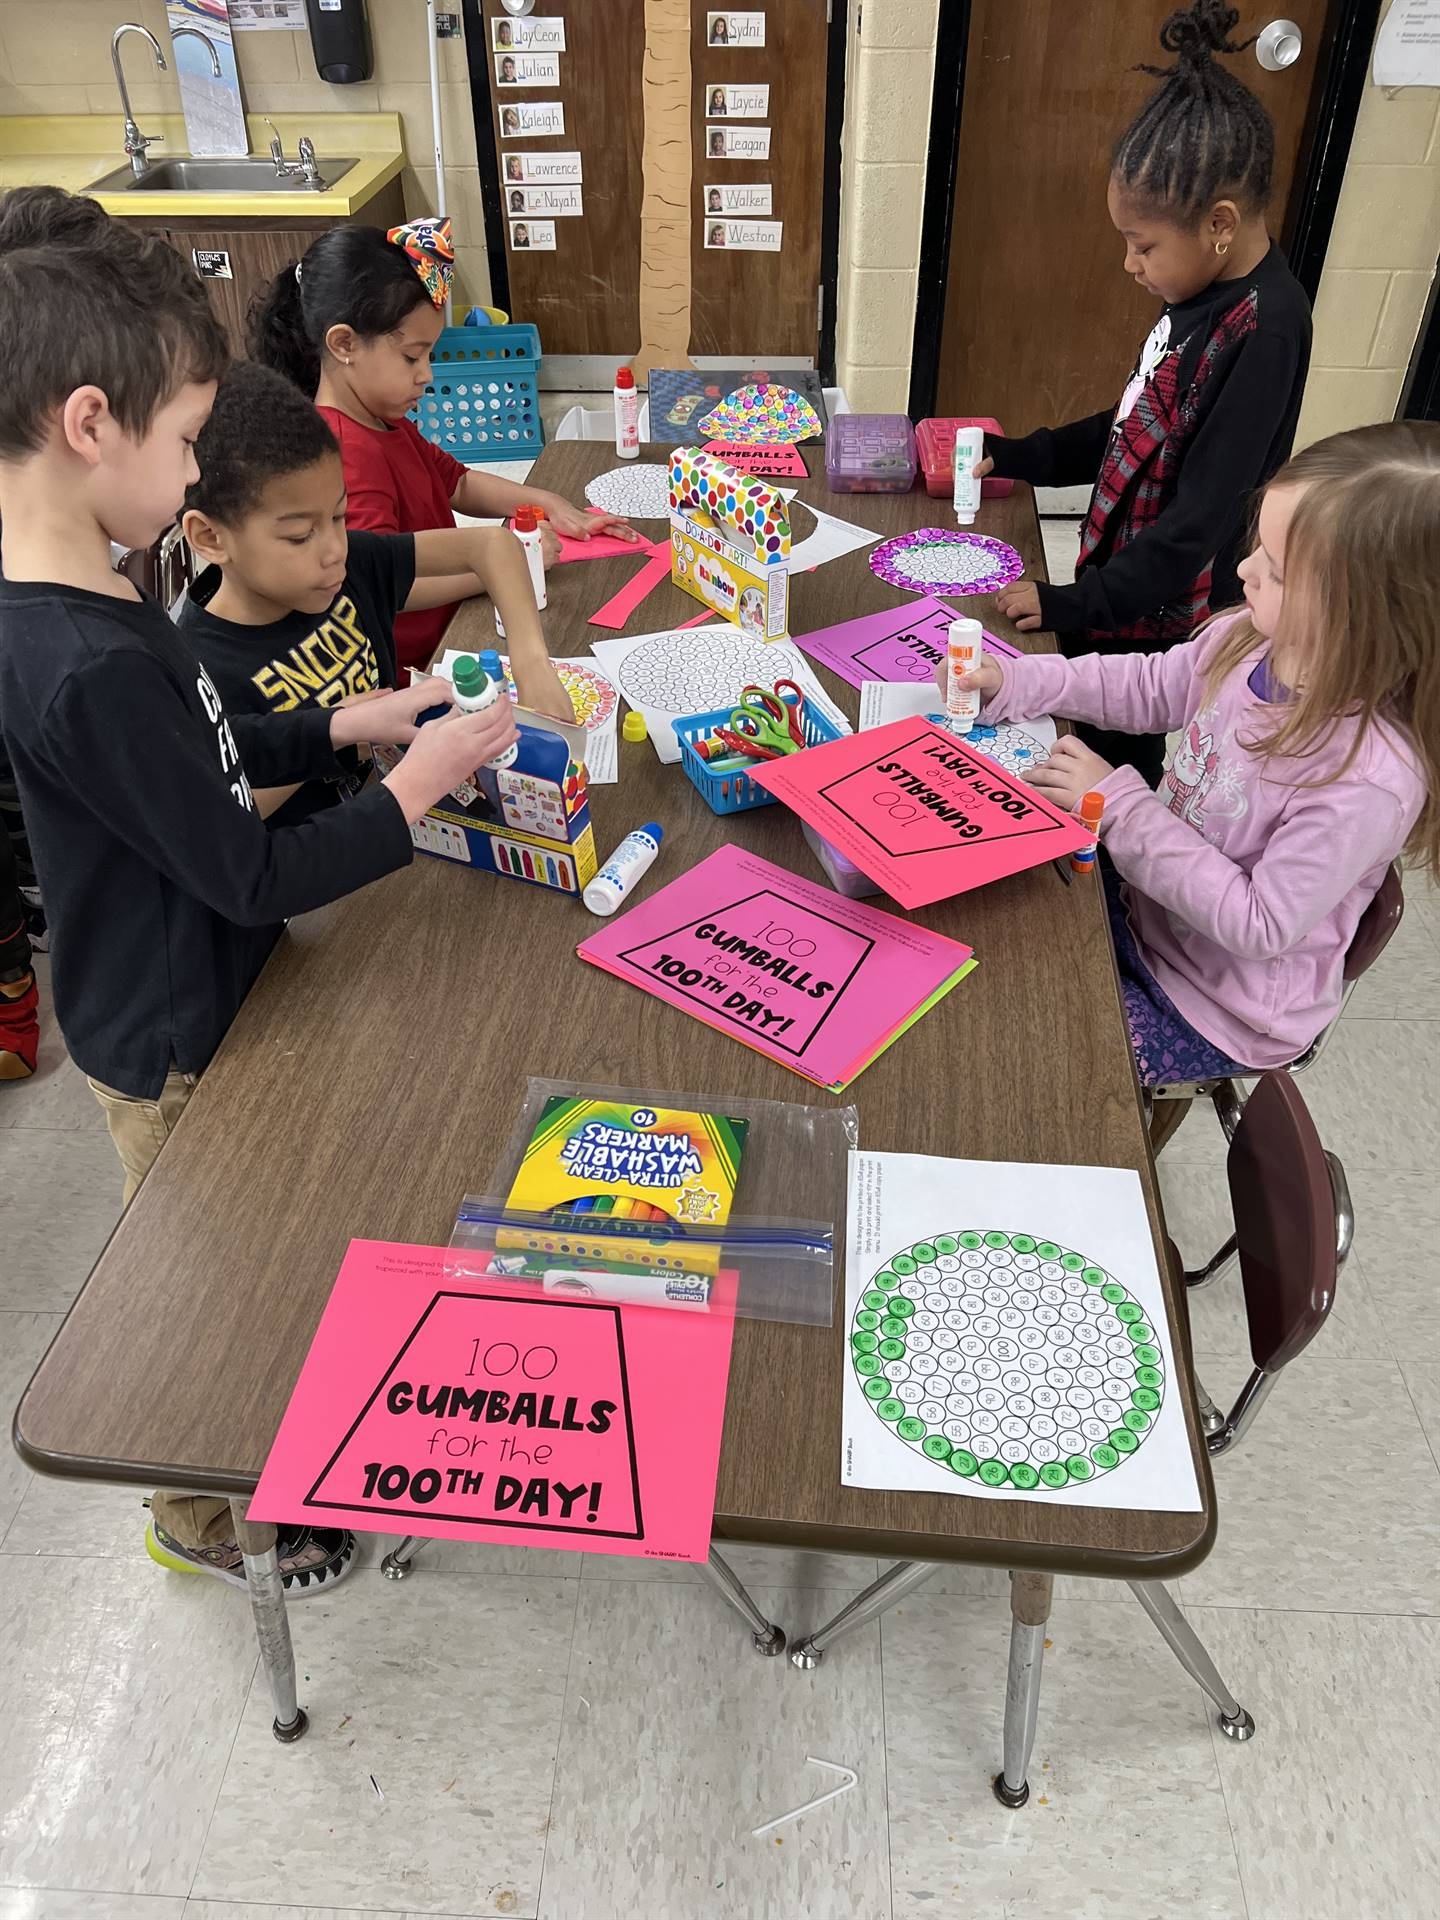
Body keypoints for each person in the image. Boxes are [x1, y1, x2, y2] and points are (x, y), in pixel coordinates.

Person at [0, 186, 521, 1590]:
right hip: (166, 1037)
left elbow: (209, 761)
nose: (191, 477)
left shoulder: (105, 593)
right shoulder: (89, 657)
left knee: (248, 1255)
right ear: (90, 422)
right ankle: (198, 1513)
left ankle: (256, 1450)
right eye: (182, 440)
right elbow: (243, 869)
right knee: (206, 1279)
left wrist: (344, 728)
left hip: (202, 990)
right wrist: (410, 795)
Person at [950, 421, 1438, 1118]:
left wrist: (1118, 806)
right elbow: (1152, 688)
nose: (1243, 572)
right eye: (1258, 549)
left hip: (1217, 1007)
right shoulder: (1251, 639)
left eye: (1273, 569)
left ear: (1362, 616)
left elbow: (1258, 924)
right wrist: (1024, 682)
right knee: (994, 929)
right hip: (1151, 908)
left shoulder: (1365, 779)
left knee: (1043, 1065)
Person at [978, 0, 1311, 787]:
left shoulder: (1265, 330)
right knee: (1071, 740)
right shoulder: (1198, 292)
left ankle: (1111, 898)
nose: (1131, 264)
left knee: (1108, 764)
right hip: (1118, 587)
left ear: (1220, 224)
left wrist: (1068, 604)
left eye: (1143, 244)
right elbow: (1134, 425)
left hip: (1165, 616)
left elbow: (1197, 527)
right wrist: (1024, 455)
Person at [177, 361, 573, 828]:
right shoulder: (200, 669)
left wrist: (531, 662)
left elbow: (492, 545)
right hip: (326, 870)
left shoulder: (349, 567)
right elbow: (219, 822)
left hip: (410, 815)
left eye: (340, 517)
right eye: (301, 536)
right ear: (210, 538)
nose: (333, 551)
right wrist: (336, 733)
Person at [251, 221, 639, 679]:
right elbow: (385, 581)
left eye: (431, 356)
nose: (428, 376)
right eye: (412, 357)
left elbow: (459, 481)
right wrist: (502, 568)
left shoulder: (382, 420)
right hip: (424, 669)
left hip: (455, 626)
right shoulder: (343, 456)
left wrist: (551, 504)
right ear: (344, 344)